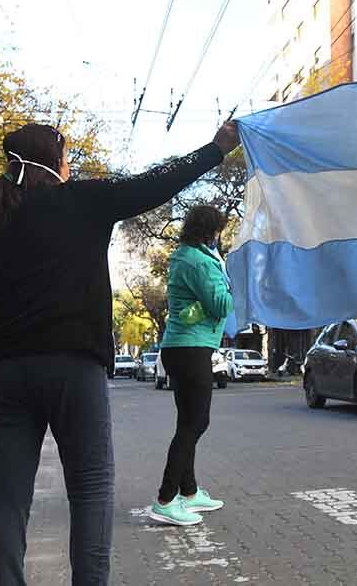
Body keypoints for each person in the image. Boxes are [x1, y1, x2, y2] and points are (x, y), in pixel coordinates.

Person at [0, 121, 240, 586]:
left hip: (2, 375)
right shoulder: (83, 199)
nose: (70, 164)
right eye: (67, 156)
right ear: (54, 162)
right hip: (73, 369)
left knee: (7, 497)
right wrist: (216, 148)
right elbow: (156, 183)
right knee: (91, 488)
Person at [151, 204, 232, 527]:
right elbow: (220, 303)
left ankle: (190, 491)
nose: (218, 237)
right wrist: (231, 287)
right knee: (195, 424)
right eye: (217, 231)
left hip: (180, 347)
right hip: (191, 348)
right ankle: (166, 498)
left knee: (187, 421)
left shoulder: (186, 255)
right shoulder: (200, 262)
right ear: (210, 231)